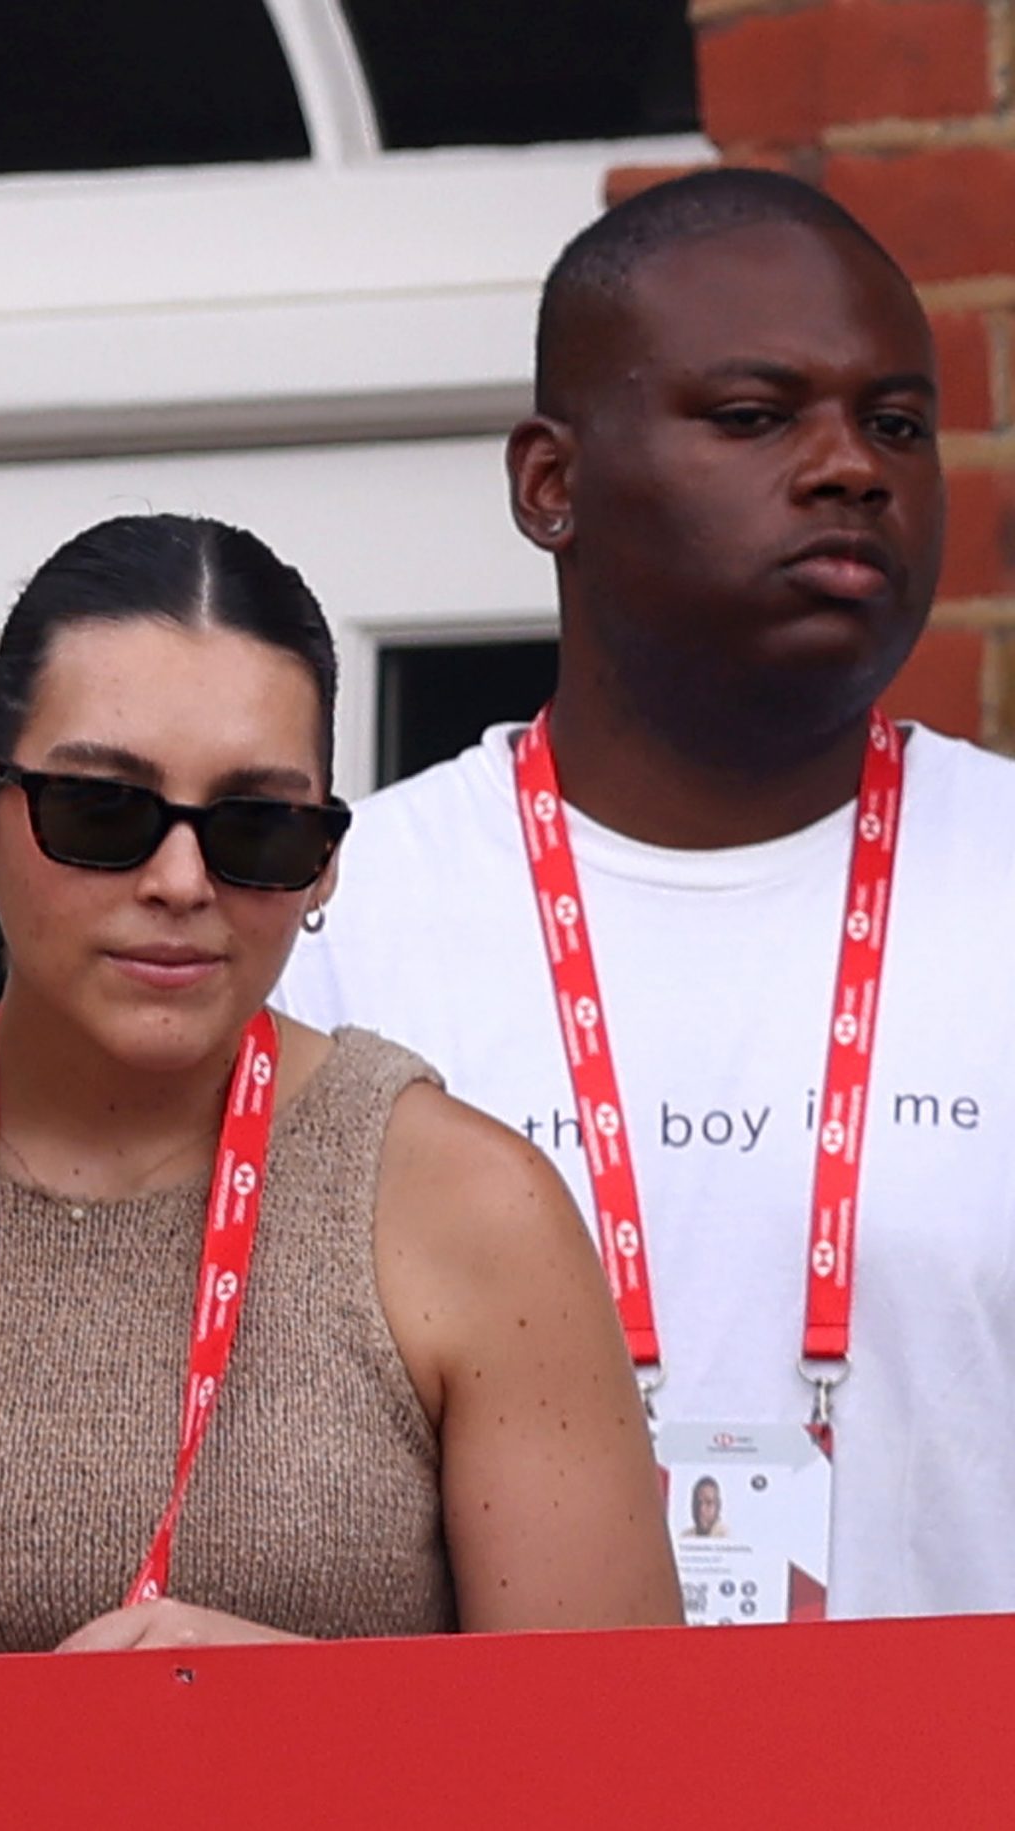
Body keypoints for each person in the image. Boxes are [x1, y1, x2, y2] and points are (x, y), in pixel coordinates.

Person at [0, 513, 678, 1666]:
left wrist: (304, 1726)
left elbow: (623, 1762)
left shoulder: (470, 1210)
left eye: (258, 829)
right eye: (102, 811)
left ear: (326, 859)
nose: (180, 880)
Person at [278, 170, 1010, 1620]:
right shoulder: (338, 922)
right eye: (755, 415)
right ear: (551, 483)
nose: (851, 465)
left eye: (898, 422)